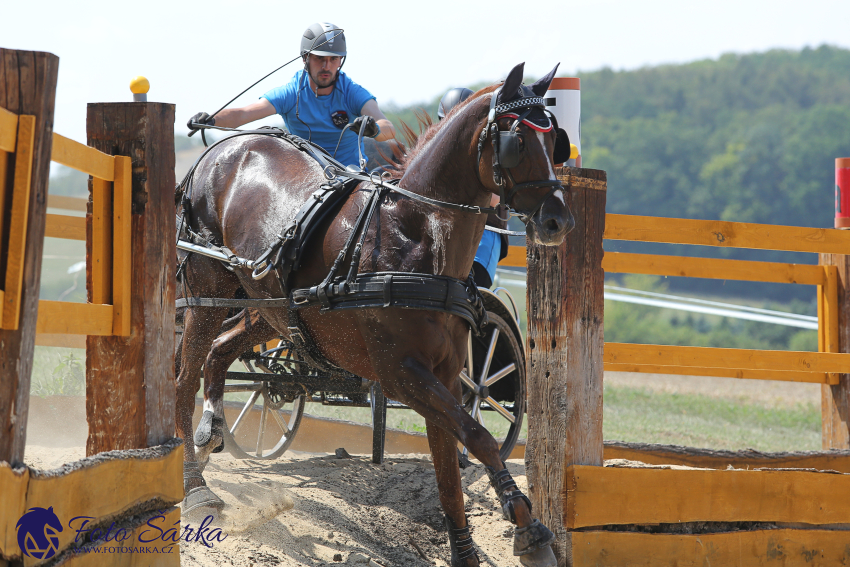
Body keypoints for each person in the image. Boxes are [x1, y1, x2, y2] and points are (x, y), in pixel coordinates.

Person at [188, 22, 396, 168]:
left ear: (340, 61)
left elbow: (388, 129)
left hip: (351, 180)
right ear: (305, 58)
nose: (326, 66)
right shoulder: (291, 93)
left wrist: (374, 129)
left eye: (333, 59)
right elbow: (244, 113)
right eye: (319, 59)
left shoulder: (352, 92)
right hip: (305, 180)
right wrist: (212, 119)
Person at [437, 88, 509, 289]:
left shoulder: (488, 154)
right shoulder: (437, 158)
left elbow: (494, 200)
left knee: (474, 290)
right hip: (447, 233)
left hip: (485, 230)